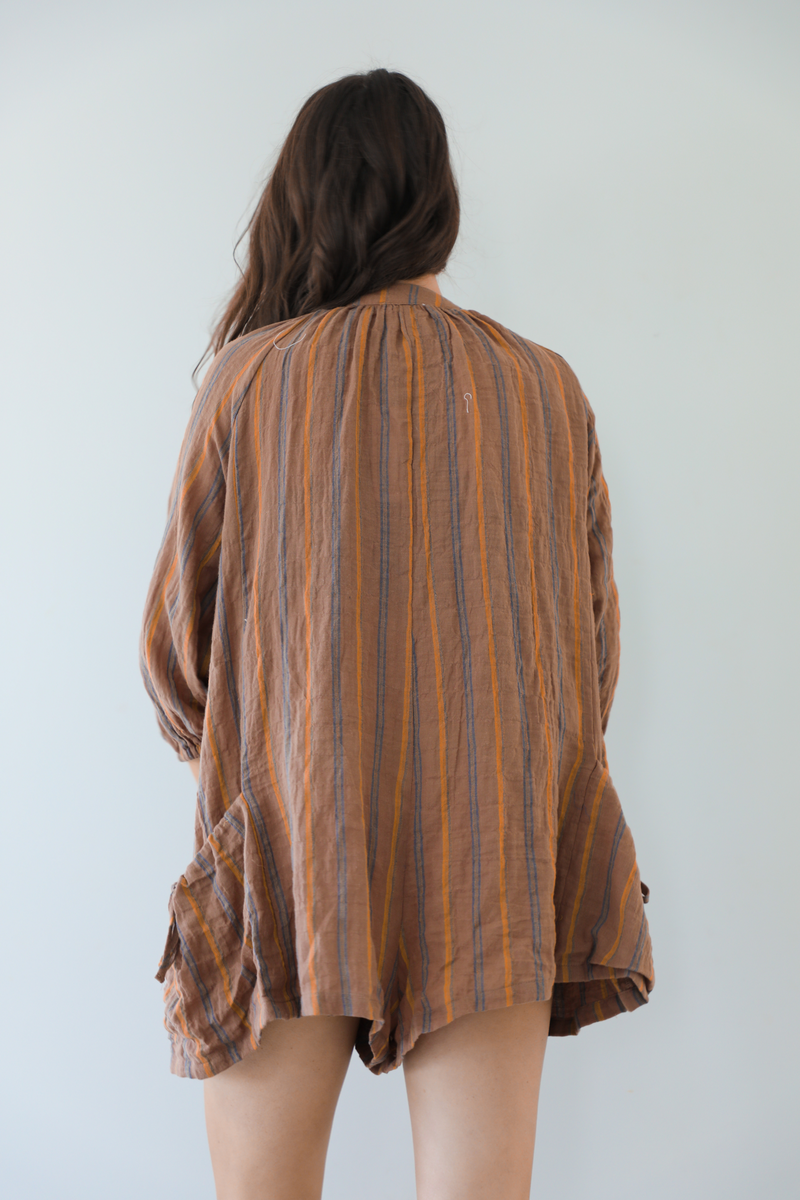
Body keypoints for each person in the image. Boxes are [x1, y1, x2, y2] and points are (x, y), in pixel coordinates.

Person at [139, 67, 655, 1200]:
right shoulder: (545, 389)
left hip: (292, 840)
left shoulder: (249, 382)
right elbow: (589, 660)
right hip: (491, 846)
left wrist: (284, 734)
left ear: (303, 197)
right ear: (439, 202)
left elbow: (178, 660)